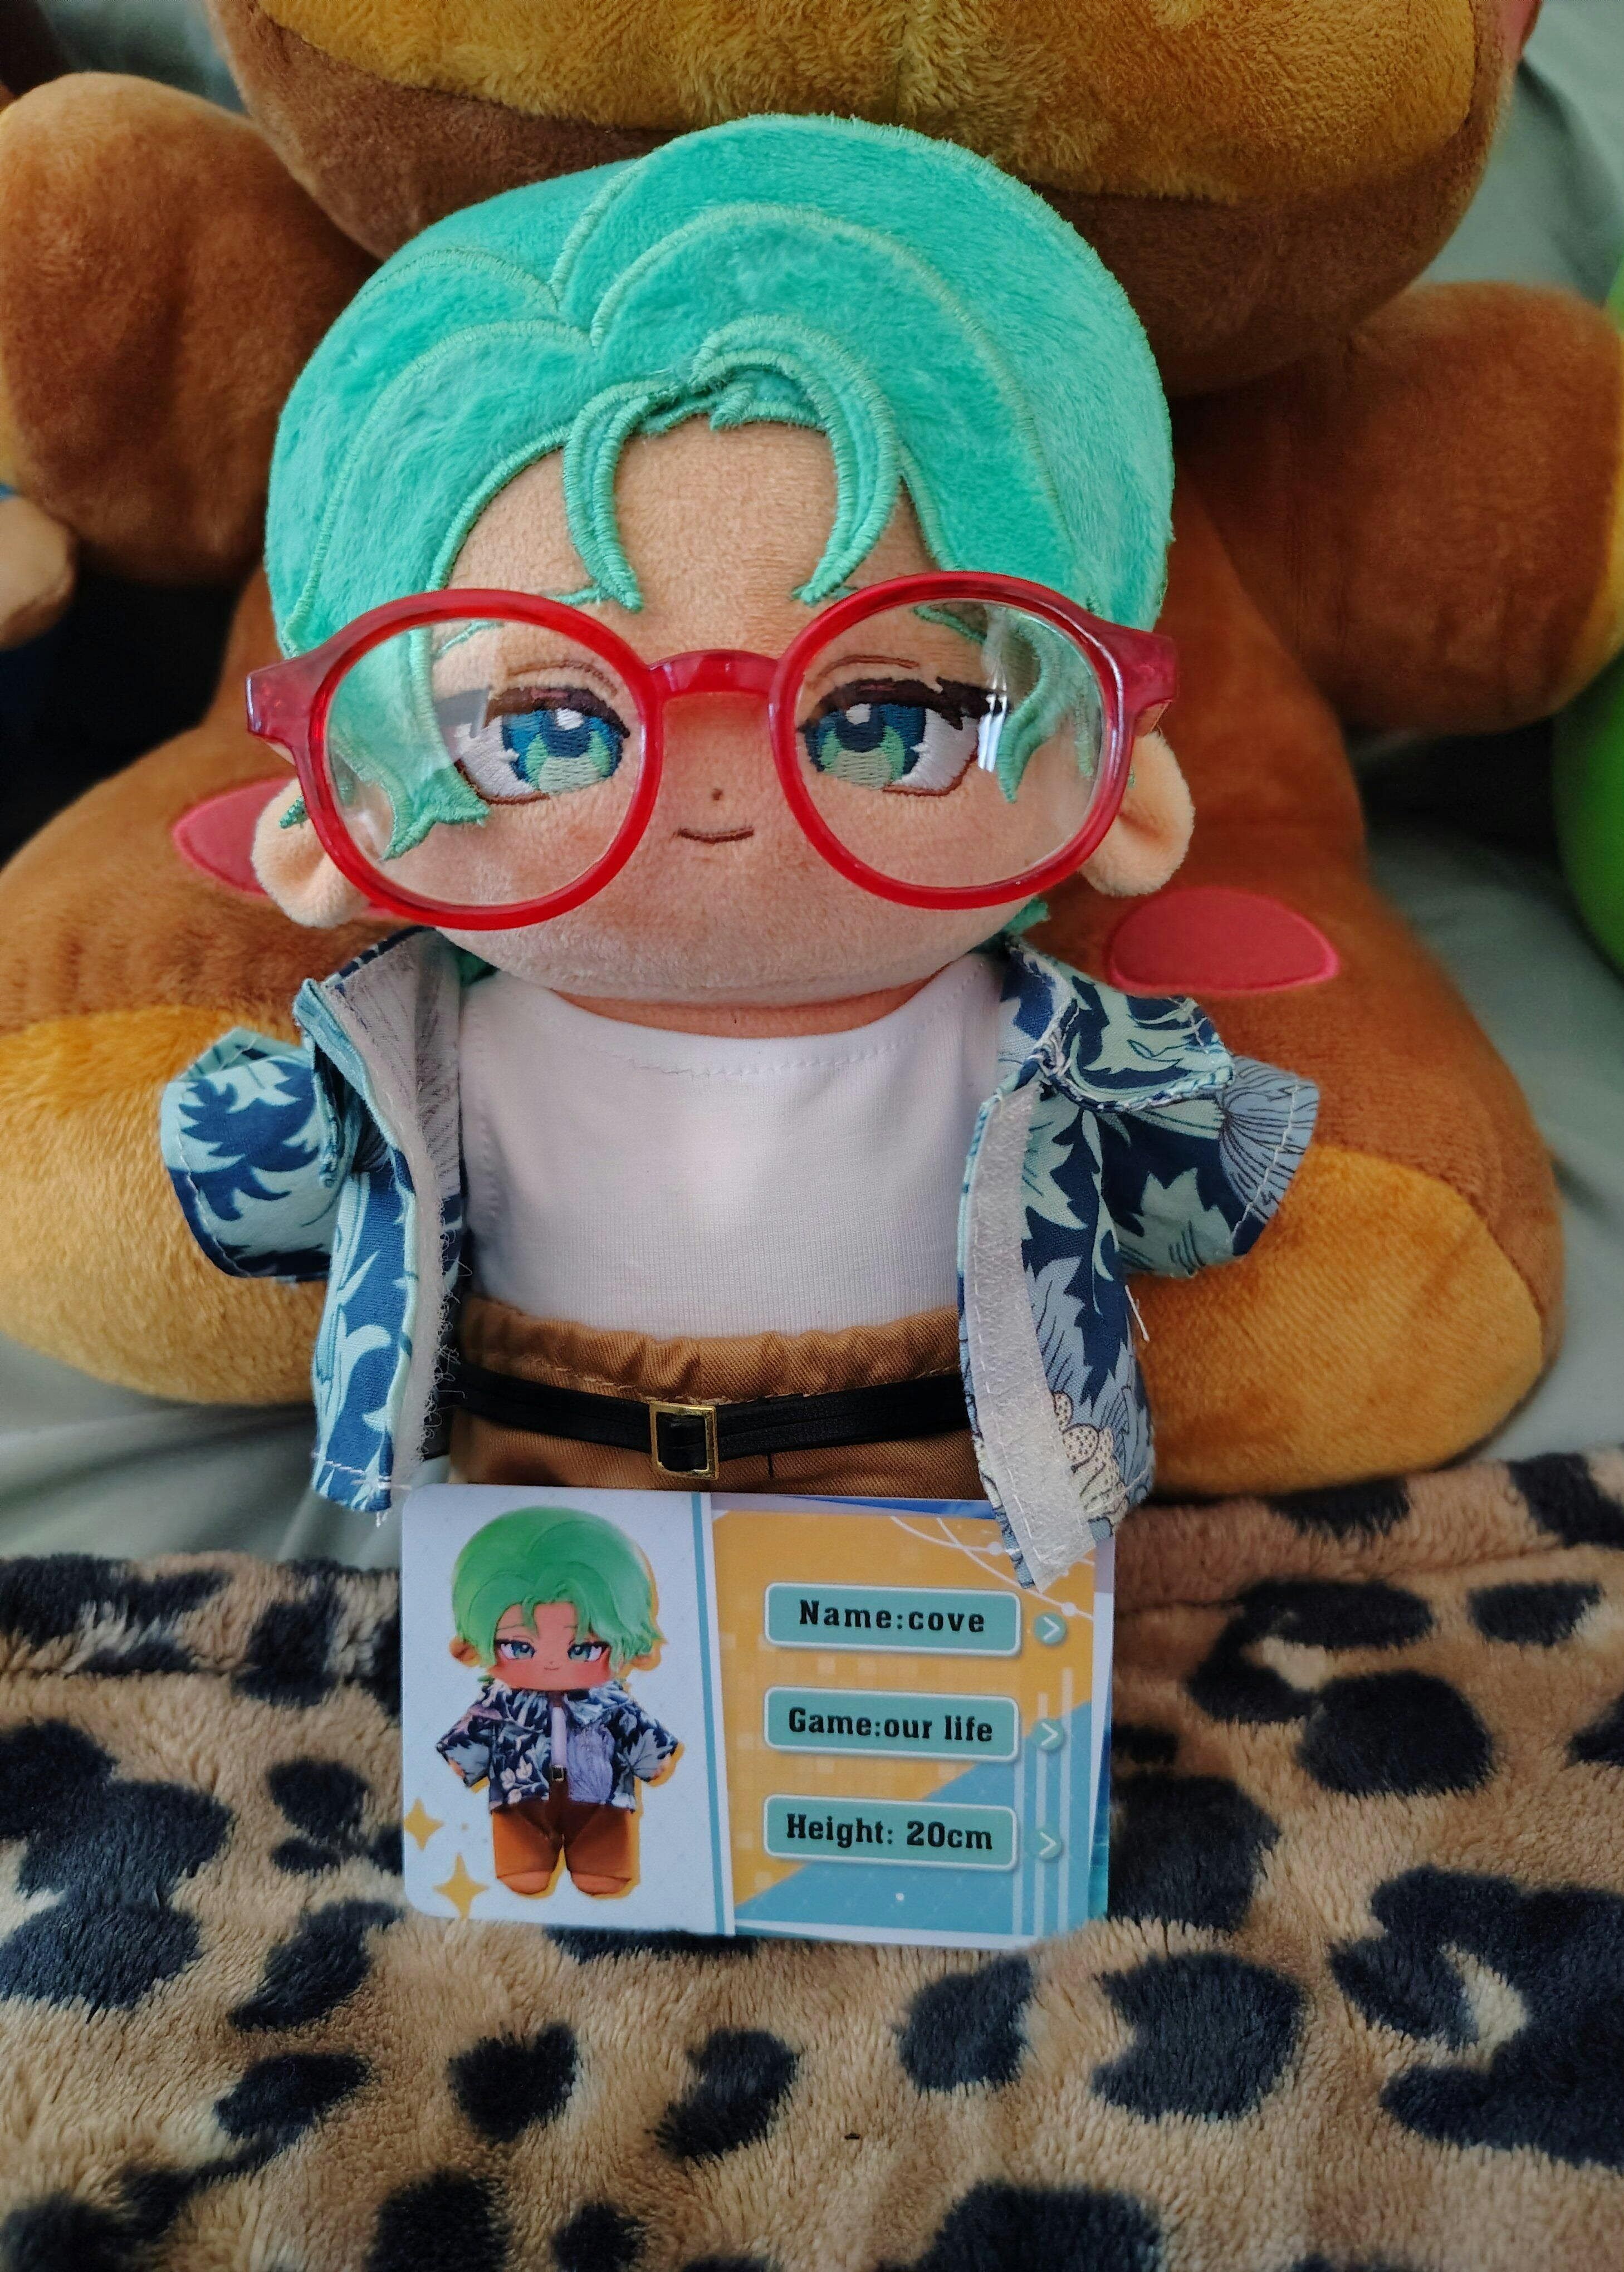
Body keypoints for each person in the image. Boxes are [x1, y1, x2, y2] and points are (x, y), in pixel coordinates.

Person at [162, 115, 1317, 1589]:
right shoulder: (432, 1055)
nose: (719, 793)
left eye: (888, 719)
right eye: (553, 731)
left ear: (1121, 790)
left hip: (925, 1513)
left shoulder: (1030, 1048)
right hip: (546, 1504)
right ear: (330, 818)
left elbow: (1211, 1197)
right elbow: (258, 1193)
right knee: (567, 1726)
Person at [437, 1505, 678, 1897]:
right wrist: (465, 1758)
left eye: (583, 1649)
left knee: (604, 1849)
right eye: (518, 1647)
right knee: (520, 1851)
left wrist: (653, 1760)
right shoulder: (499, 1702)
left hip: (601, 1795)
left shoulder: (610, 1702)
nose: (551, 1664)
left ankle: (600, 1858)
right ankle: (526, 1856)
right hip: (520, 1791)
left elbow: (636, 1731)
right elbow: (477, 1730)